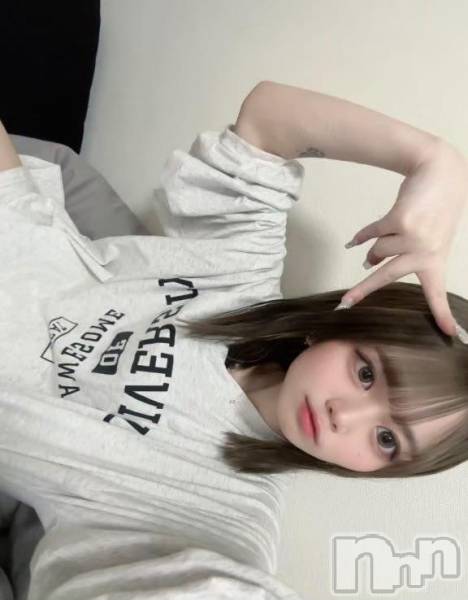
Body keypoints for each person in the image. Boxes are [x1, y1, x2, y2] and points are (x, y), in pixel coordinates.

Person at [0, 78, 468, 599]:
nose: (345, 416)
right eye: (366, 374)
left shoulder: (228, 513)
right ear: (340, 325)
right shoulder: (241, 273)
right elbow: (269, 118)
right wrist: (435, 160)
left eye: (386, 440)